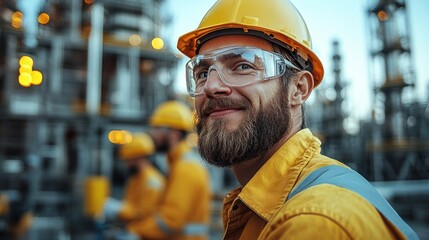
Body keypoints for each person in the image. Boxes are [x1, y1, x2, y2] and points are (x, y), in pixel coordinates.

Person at [176, 0, 419, 239]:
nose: (211, 86)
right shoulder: (266, 205)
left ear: (298, 89)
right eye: (203, 72)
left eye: (242, 66)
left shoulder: (314, 223)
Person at [126, 101, 211, 240]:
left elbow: (170, 221)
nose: (152, 134)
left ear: (174, 134)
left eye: (157, 128)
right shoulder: (177, 164)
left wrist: (135, 231)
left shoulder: (185, 168)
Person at [102, 133, 165, 234]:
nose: (126, 164)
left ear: (138, 158)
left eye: (128, 160)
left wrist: (118, 210)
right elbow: (130, 204)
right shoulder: (134, 179)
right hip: (134, 231)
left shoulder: (152, 182)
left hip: (144, 234)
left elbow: (145, 214)